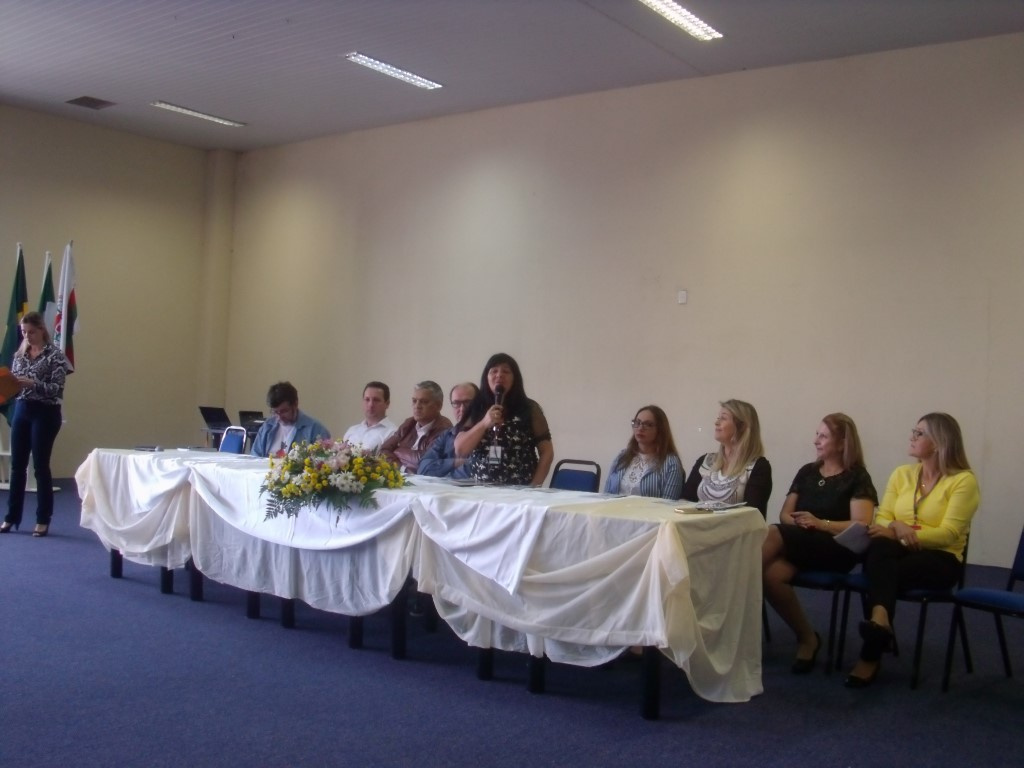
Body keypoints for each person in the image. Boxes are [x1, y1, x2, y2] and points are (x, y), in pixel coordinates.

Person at [845, 412, 979, 688]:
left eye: (919, 433)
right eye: (913, 431)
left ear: (939, 443)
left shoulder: (963, 481)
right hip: (896, 550)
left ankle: (871, 650)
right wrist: (896, 526)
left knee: (882, 569)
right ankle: (880, 623)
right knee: (880, 547)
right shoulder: (902, 474)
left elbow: (948, 534)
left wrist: (905, 534)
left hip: (941, 558)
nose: (912, 437)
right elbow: (883, 518)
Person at [762, 413, 878, 673]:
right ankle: (808, 637)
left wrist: (820, 523)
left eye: (823, 436)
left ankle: (727, 593)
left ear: (842, 443)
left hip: (837, 547)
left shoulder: (857, 476)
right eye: (817, 434)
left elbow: (861, 524)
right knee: (770, 576)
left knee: (771, 533)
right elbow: (785, 514)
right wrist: (802, 524)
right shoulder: (808, 471)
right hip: (803, 542)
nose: (816, 440)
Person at [2, 311, 71, 537]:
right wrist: (10, 386)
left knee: (40, 466)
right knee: (17, 465)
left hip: (45, 412)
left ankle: (42, 519)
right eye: (24, 332)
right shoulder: (20, 354)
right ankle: (11, 516)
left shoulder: (55, 356)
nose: (27, 336)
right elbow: (15, 383)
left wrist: (33, 384)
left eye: (31, 332)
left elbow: (56, 389)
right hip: (22, 409)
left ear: (42, 330)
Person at [454, 353, 553, 486]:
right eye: (494, 371)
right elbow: (460, 450)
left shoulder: (529, 408)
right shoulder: (477, 406)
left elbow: (547, 452)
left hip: (520, 489)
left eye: (506, 371)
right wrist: (484, 423)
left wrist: (534, 487)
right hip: (480, 490)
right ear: (486, 377)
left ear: (515, 378)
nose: (499, 375)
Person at [680, 399, 772, 516]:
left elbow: (752, 515)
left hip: (734, 527)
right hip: (697, 525)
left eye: (723, 418)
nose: (716, 423)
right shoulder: (705, 461)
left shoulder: (759, 467)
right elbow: (685, 501)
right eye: (718, 418)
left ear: (742, 426)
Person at [604, 405, 683, 499]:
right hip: (615, 508)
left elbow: (668, 503)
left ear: (660, 430)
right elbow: (606, 495)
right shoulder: (622, 457)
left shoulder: (671, 463)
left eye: (648, 425)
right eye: (637, 423)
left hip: (651, 509)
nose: (640, 428)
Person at [379, 381, 453, 473]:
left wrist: (397, 451)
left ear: (438, 406)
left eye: (424, 402)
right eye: (414, 401)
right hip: (402, 476)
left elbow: (426, 463)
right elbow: (383, 451)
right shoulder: (409, 423)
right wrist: (403, 468)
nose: (417, 406)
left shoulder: (444, 428)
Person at [250, 381, 331, 457]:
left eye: (284, 411)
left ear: (295, 404)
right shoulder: (267, 427)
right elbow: (255, 457)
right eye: (275, 412)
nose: (279, 417)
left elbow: (323, 461)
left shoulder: (315, 430)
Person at [419, 382, 478, 479]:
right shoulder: (447, 434)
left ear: (479, 404)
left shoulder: (489, 434)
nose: (462, 409)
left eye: (468, 403)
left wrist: (443, 471)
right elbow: (423, 468)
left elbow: (476, 469)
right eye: (456, 403)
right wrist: (456, 462)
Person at [343, 381, 397, 451]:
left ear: (387, 404)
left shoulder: (393, 433)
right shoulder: (352, 430)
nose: (370, 404)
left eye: (376, 400)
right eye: (367, 399)